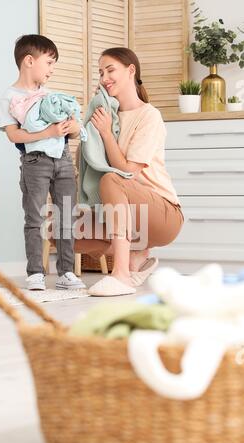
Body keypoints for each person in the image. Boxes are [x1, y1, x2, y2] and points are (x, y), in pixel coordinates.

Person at [76, 47, 184, 296]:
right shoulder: (106, 115)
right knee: (58, 232)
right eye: (101, 73)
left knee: (112, 179)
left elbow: (127, 172)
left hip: (163, 214)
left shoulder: (149, 116)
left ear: (131, 70)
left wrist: (105, 133)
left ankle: (122, 275)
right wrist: (93, 124)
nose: (104, 78)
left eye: (110, 70)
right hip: (122, 213)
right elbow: (89, 163)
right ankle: (136, 253)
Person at [0, 34, 86, 290]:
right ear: (29, 61)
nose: (52, 69)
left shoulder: (50, 96)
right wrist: (48, 133)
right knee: (34, 218)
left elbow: (72, 128)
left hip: (63, 159)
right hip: (34, 162)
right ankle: (36, 272)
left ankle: (66, 272)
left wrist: (72, 127)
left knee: (67, 217)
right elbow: (14, 135)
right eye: (49, 62)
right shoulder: (10, 97)